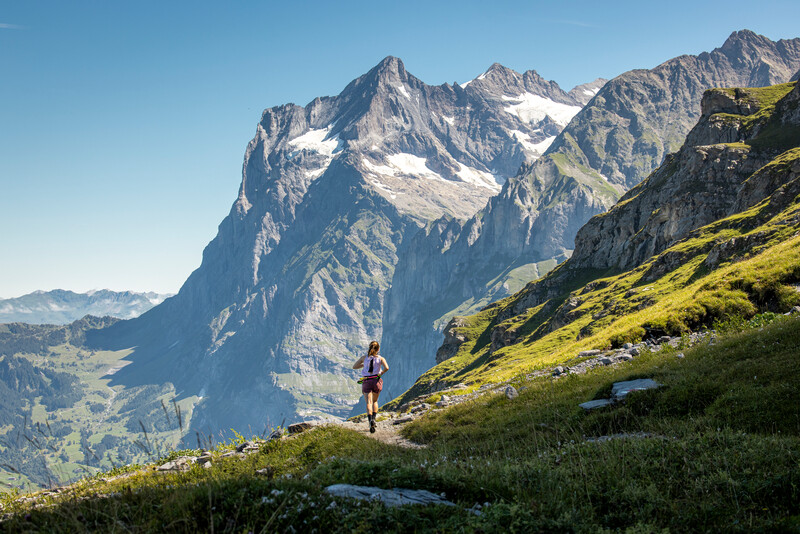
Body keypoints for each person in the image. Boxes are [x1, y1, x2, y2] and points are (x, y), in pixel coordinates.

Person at [353, 341, 388, 433]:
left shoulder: (364, 358)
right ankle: (374, 419)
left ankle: (370, 422)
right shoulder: (380, 358)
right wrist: (381, 373)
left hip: (366, 381)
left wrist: (364, 365)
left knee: (368, 402)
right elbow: (387, 367)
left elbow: (354, 366)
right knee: (375, 401)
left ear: (369, 347)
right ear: (378, 349)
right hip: (376, 380)